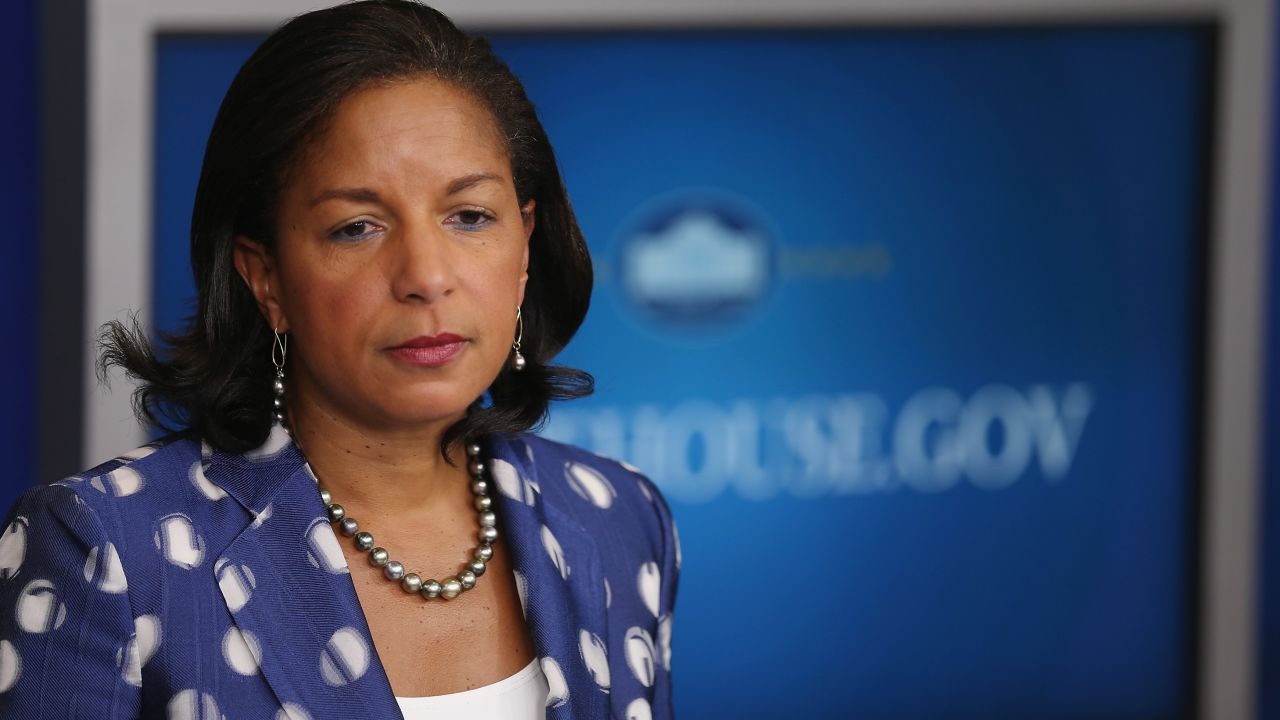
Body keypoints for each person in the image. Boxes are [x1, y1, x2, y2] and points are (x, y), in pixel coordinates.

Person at [0, 2, 679, 718]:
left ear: (525, 248)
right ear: (265, 279)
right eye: (357, 227)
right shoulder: (102, 548)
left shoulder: (621, 518)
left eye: (469, 216)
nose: (426, 274)